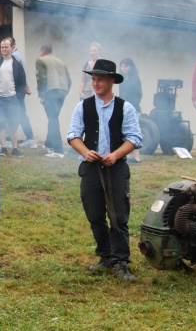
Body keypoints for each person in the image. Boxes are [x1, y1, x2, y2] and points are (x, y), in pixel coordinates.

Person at [66, 59, 142, 283]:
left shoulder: (125, 107)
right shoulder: (82, 106)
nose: (95, 83)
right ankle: (105, 256)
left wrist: (115, 155)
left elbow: (135, 138)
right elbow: (73, 135)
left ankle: (121, 260)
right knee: (95, 213)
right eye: (93, 79)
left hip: (116, 167)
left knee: (118, 215)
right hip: (90, 167)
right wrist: (86, 151)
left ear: (111, 81)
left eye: (100, 79)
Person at [0, 38, 27, 158]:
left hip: (13, 98)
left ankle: (15, 148)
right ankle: (3, 148)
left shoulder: (17, 64)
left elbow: (22, 82)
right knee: (0, 123)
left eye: (6, 47)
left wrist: (19, 97)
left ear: (11, 48)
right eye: (2, 47)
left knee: (13, 123)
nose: (4, 49)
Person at [36, 44, 71, 157]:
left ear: (43, 51)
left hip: (50, 92)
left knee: (53, 119)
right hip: (62, 92)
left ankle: (58, 150)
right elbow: (69, 80)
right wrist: (65, 92)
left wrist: (41, 95)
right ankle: (49, 144)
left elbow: (41, 78)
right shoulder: (61, 62)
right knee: (53, 117)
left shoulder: (40, 60)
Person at [10, 37, 35, 146]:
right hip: (19, 89)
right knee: (19, 113)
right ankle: (30, 138)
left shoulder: (15, 56)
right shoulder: (17, 55)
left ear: (13, 45)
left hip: (17, 90)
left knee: (19, 113)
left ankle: (30, 138)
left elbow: (20, 74)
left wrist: (25, 85)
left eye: (8, 46)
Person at [119, 58, 142, 163]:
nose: (123, 68)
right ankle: (126, 155)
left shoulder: (135, 78)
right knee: (124, 132)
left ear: (131, 67)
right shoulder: (122, 79)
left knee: (134, 132)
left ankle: (137, 157)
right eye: (122, 66)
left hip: (134, 109)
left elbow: (139, 94)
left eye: (126, 66)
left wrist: (132, 105)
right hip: (123, 108)